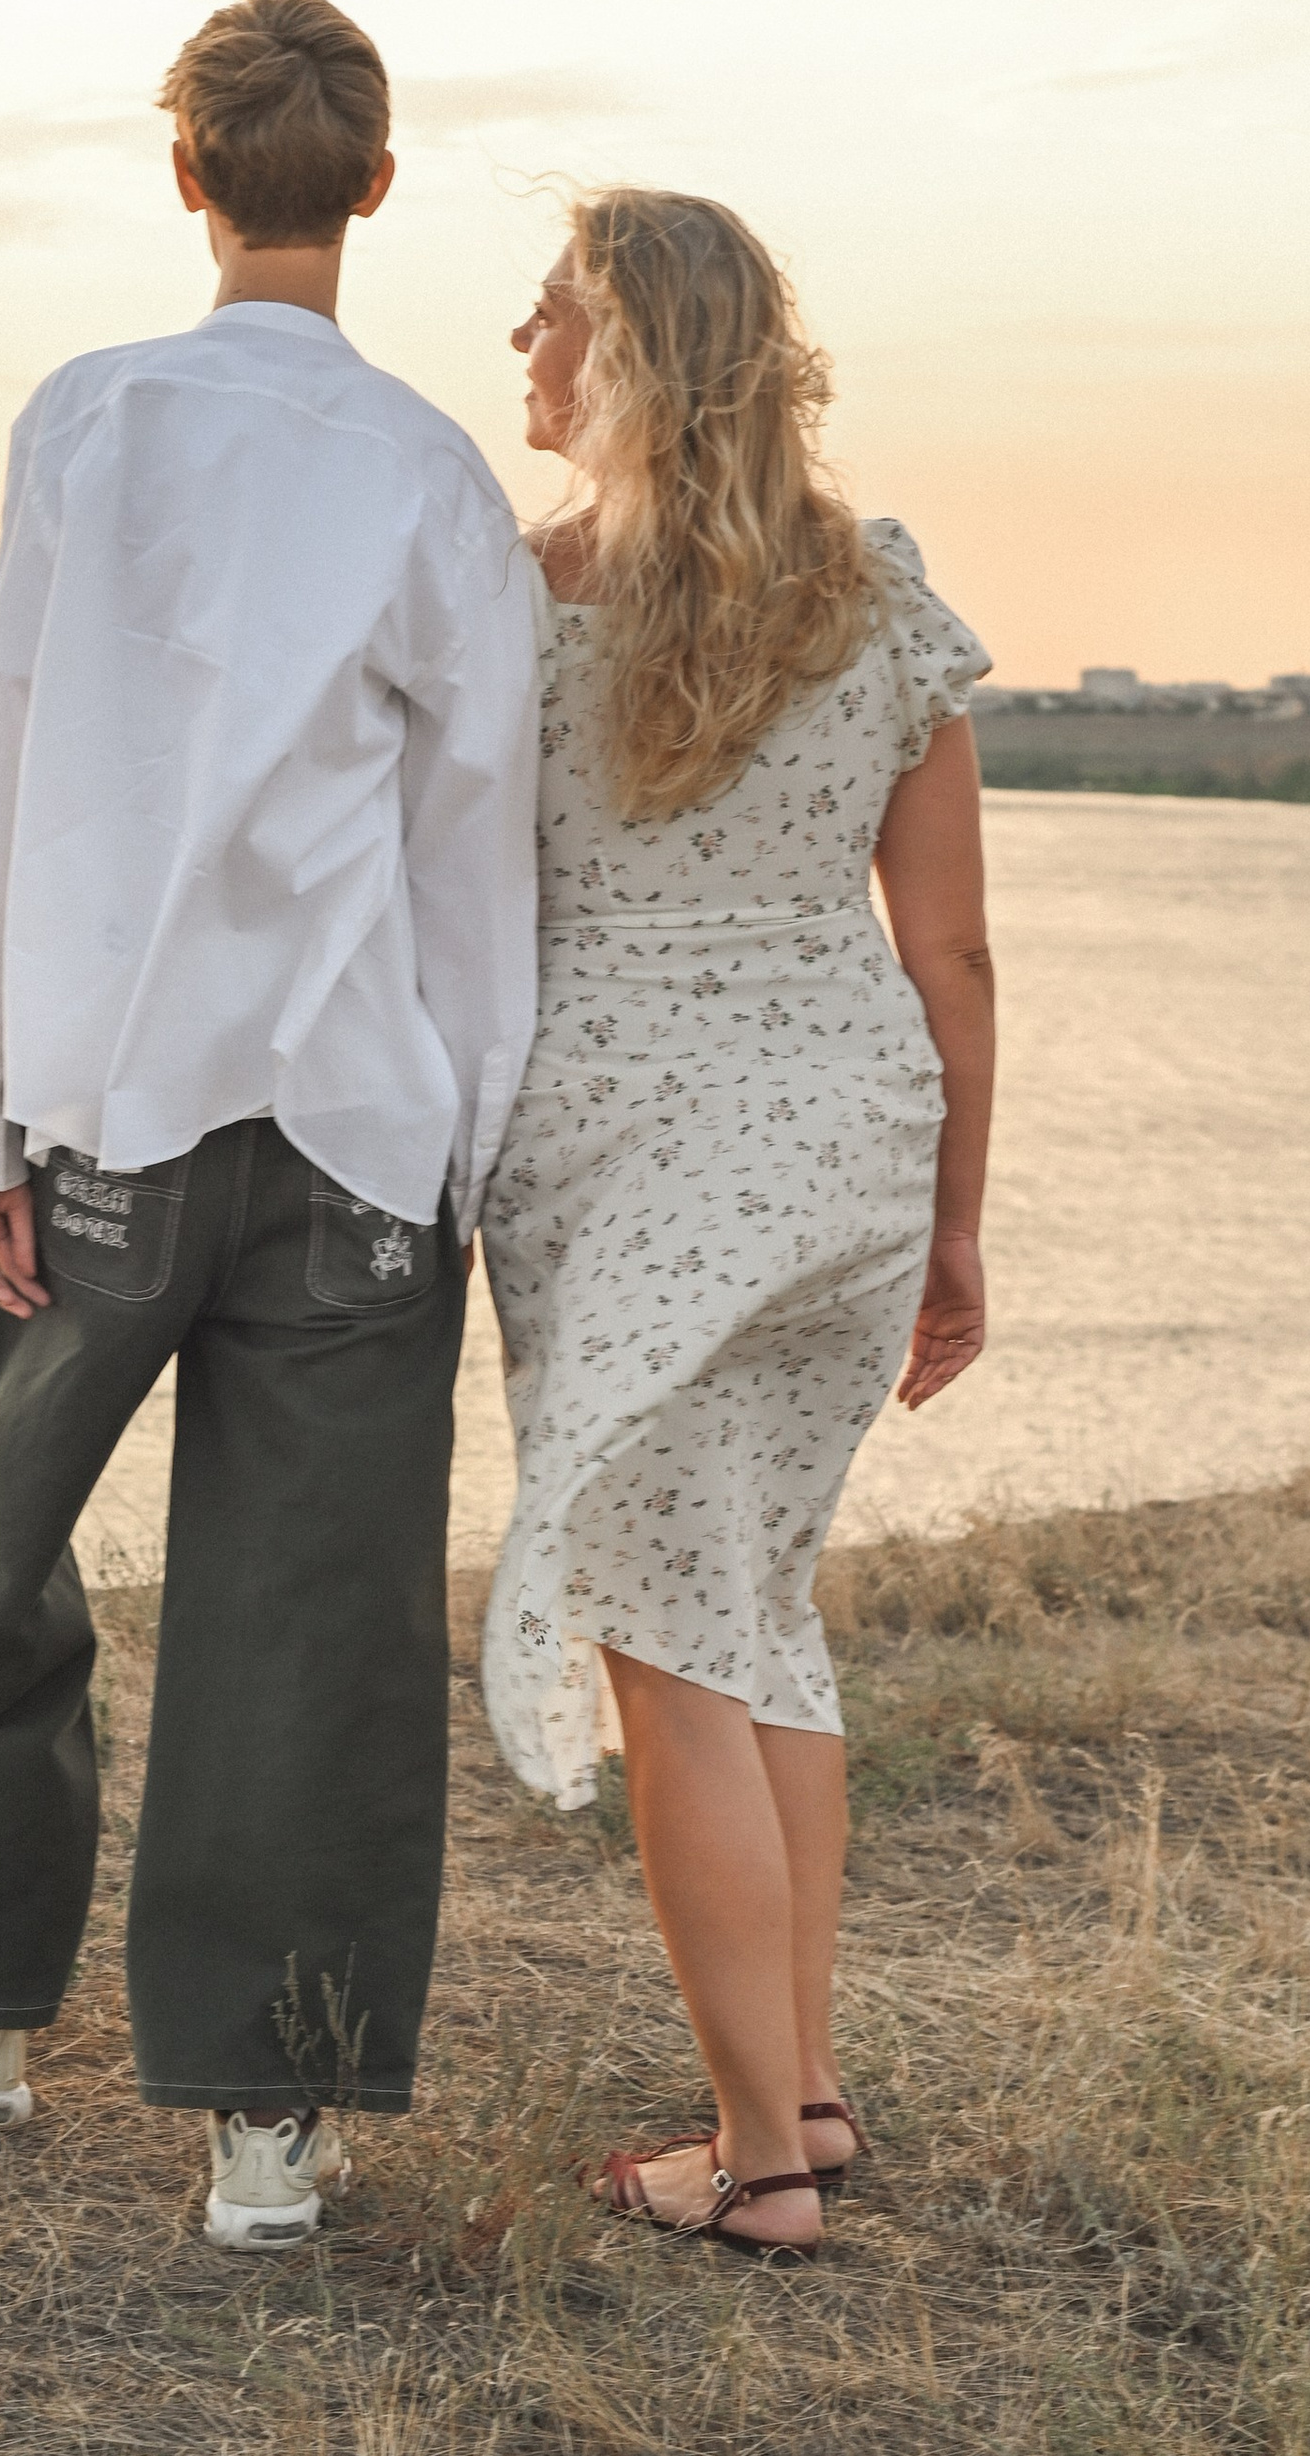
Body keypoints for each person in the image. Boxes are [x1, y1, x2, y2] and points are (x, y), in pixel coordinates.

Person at [0, 0, 543, 2253]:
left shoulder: (88, 421)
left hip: (101, 1121)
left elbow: (6, 778)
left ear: (187, 177)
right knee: (309, 1630)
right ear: (378, 188)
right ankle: (268, 2129)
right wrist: (473, 1156)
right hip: (351, 1137)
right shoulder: (431, 471)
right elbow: (473, 843)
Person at [486, 188, 995, 2260]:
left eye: (542, 317)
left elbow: (461, 915)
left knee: (672, 1646)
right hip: (852, 1144)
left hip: (622, 1158)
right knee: (756, 1605)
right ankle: (800, 2084)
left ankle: (757, 2166)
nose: (513, 345)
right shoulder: (877, 594)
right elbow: (948, 951)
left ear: (617, 354)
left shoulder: (521, 603)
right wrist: (954, 1230)